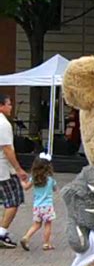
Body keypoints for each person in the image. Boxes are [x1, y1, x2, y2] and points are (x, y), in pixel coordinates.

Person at [0, 94, 28, 248]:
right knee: (13, 200)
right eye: (8, 104)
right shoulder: (3, 124)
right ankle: (1, 232)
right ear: (1, 106)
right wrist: (18, 169)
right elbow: (7, 149)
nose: (11, 107)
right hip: (4, 169)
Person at [20, 153, 57, 251]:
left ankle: (26, 237)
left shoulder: (34, 178)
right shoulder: (50, 179)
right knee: (48, 224)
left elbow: (26, 187)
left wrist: (22, 181)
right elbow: (54, 189)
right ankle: (46, 243)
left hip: (37, 206)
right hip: (48, 205)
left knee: (36, 224)